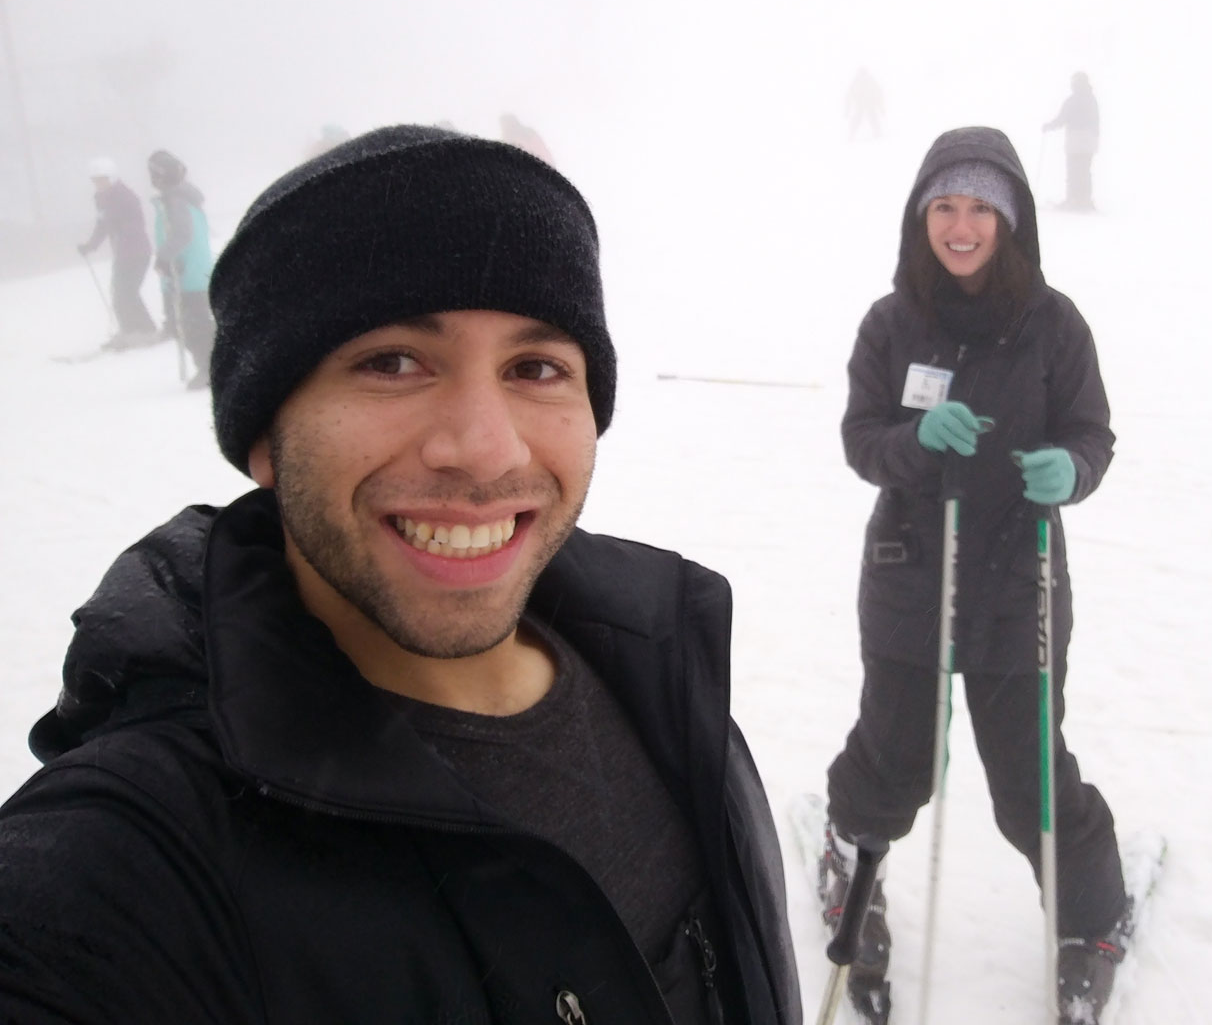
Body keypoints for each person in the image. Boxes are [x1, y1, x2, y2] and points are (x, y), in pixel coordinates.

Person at [0, 126, 802, 1025]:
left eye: (535, 368)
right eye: (393, 363)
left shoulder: (663, 672)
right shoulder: (128, 862)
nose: (483, 449)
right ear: (266, 432)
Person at [820, 126, 1126, 1023]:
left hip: (1018, 569)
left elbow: (1091, 431)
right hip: (913, 565)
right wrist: (914, 442)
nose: (961, 225)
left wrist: (1070, 469)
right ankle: (853, 859)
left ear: (1011, 219)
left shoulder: (1053, 323)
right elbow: (861, 440)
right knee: (897, 754)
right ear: (922, 217)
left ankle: (1092, 916)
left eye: (980, 207)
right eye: (944, 206)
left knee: (1028, 772)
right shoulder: (890, 322)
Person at [147, 148, 216, 388]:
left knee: (190, 325)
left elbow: (183, 233)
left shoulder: (175, 200)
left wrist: (165, 258)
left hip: (186, 273)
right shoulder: (180, 197)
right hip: (189, 272)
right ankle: (210, 366)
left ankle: (209, 368)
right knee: (187, 323)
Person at [77, 156, 159, 346]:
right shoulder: (101, 198)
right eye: (95, 180)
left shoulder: (125, 197)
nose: (98, 184)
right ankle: (138, 329)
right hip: (122, 253)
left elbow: (135, 223)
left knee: (125, 292)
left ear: (112, 178)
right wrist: (91, 245)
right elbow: (102, 224)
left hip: (137, 252)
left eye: (102, 179)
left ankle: (138, 331)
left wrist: (123, 235)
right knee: (122, 292)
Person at [1041, 71, 1100, 211]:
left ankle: (1073, 199)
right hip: (1089, 140)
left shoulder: (1073, 100)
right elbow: (1096, 122)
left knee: (1074, 169)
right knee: (1084, 169)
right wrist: (1095, 138)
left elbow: (1062, 119)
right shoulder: (1091, 100)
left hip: (1075, 138)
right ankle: (1084, 199)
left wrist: (1049, 126)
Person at [845, 66, 886, 140]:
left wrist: (881, 107)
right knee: (868, 119)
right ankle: (878, 135)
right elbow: (879, 93)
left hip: (866, 103)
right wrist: (881, 107)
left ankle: (878, 136)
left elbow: (879, 93)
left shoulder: (859, 80)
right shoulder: (860, 80)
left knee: (870, 119)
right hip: (864, 103)